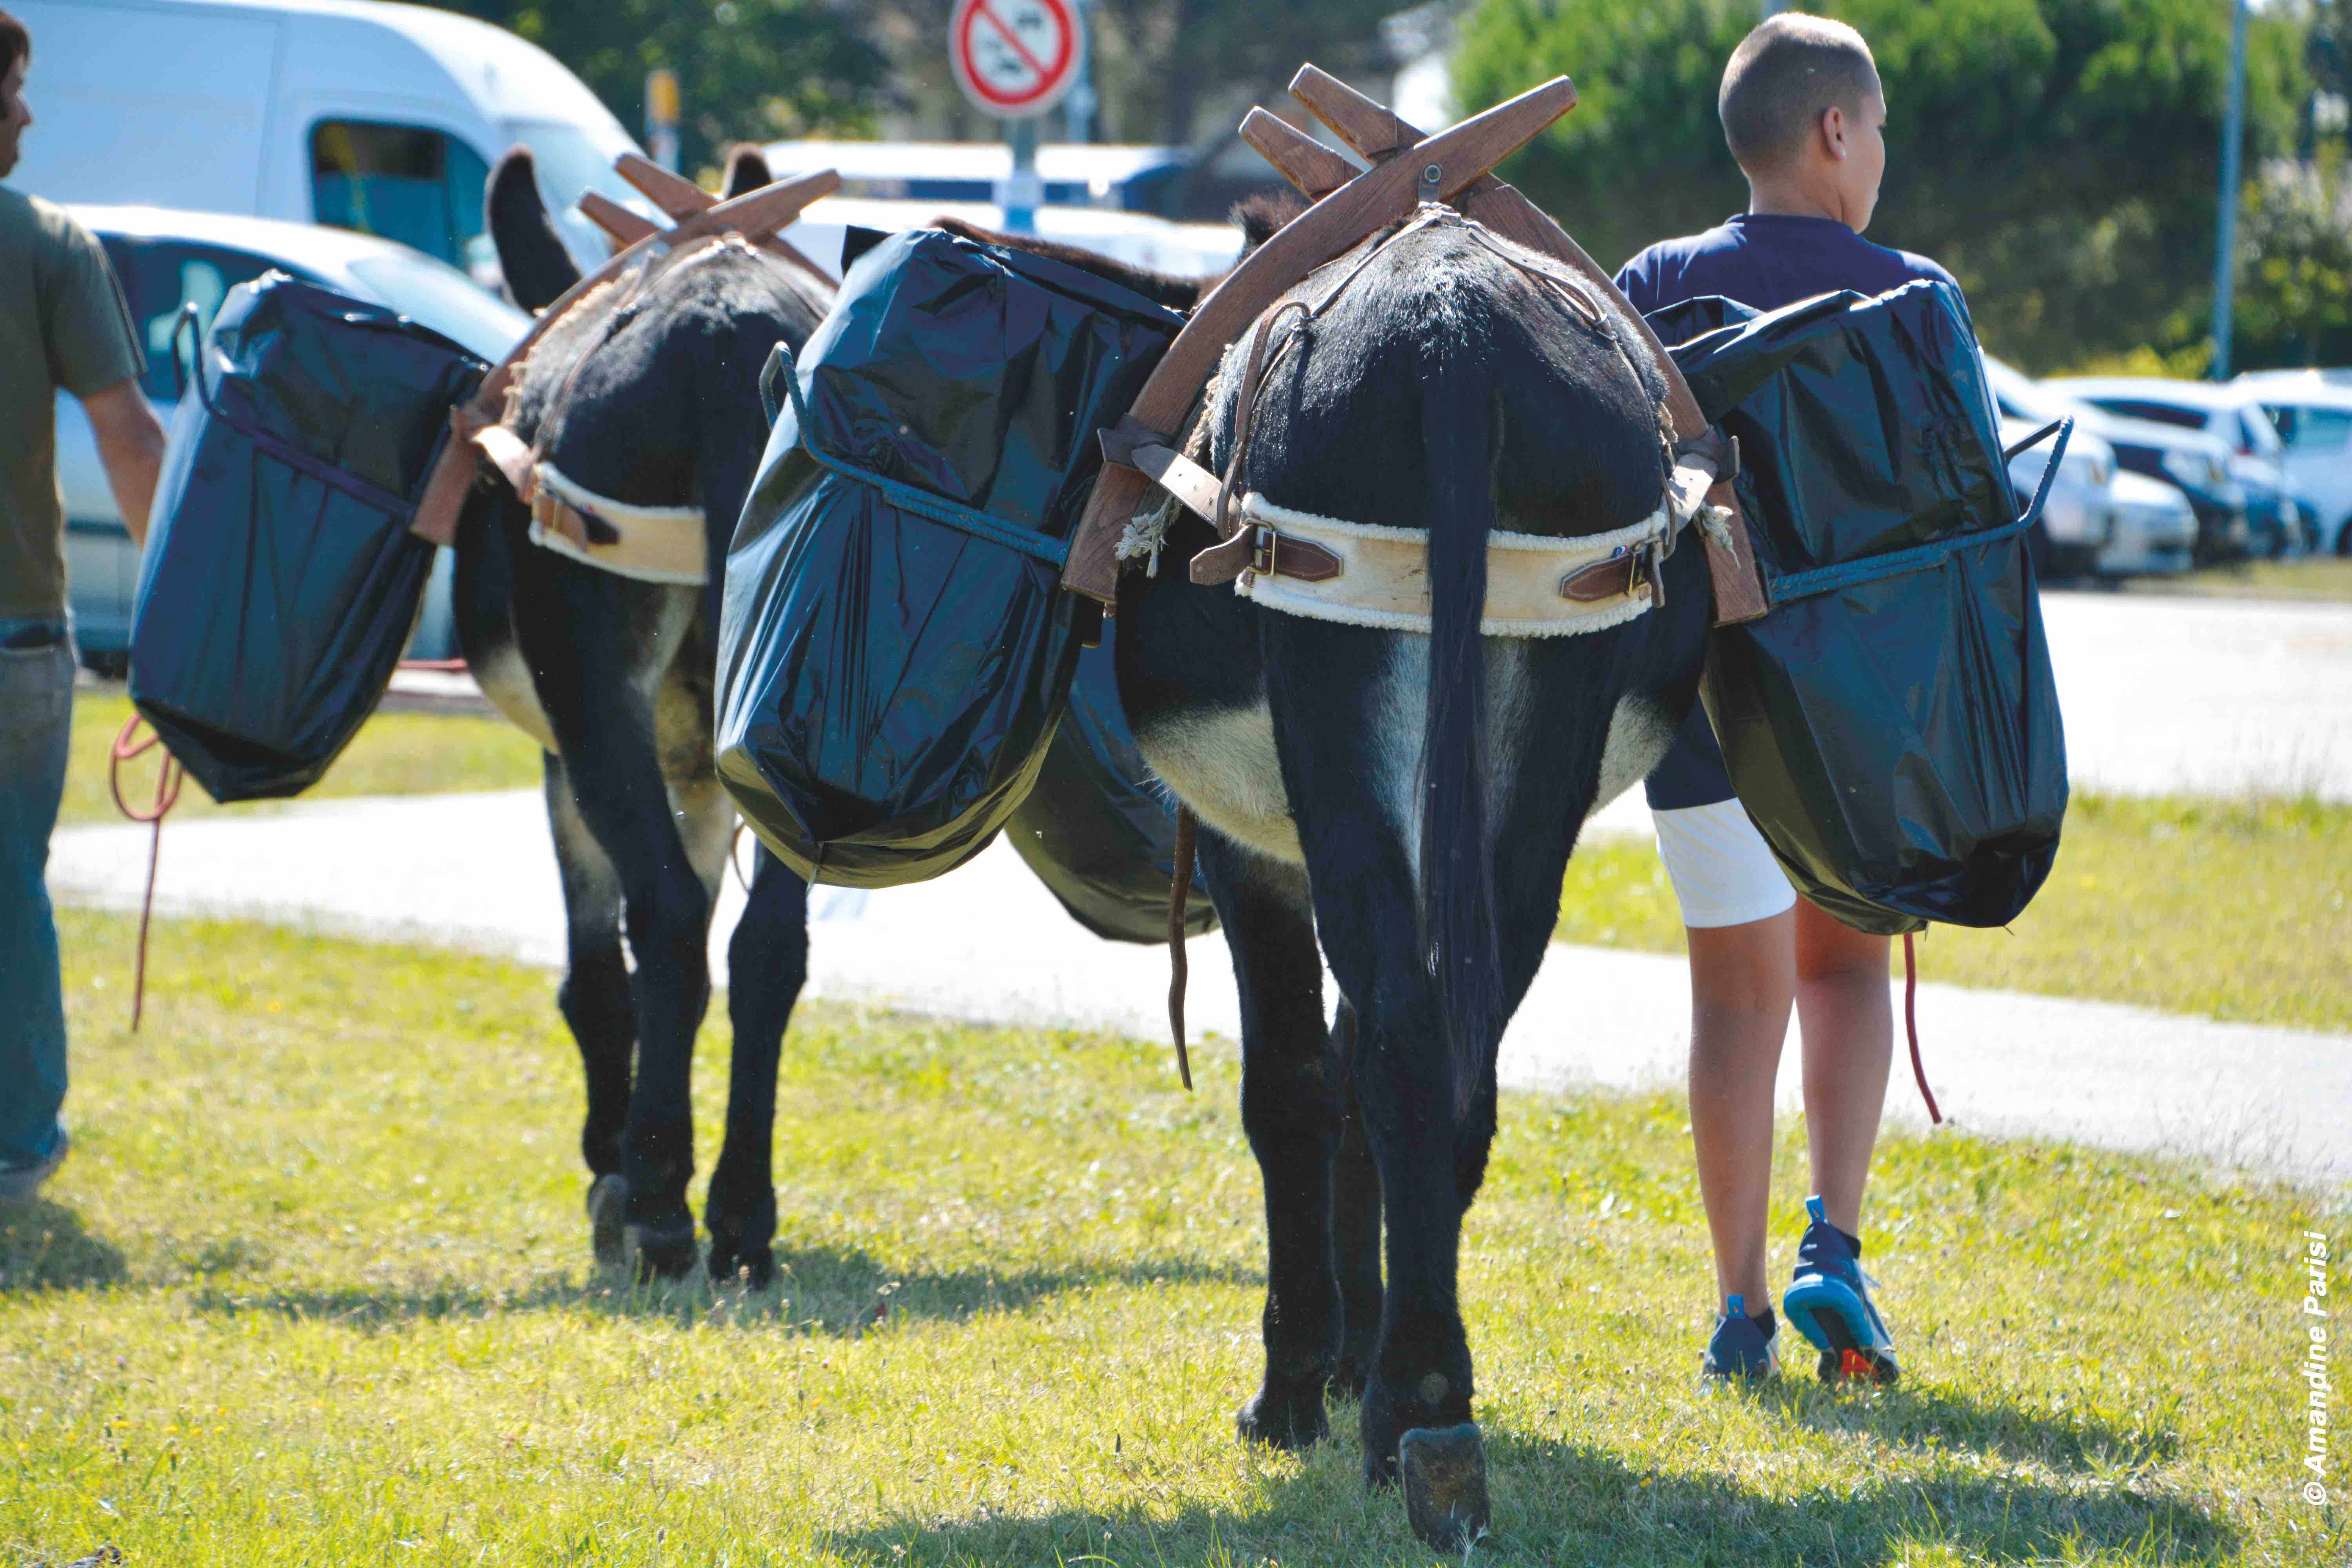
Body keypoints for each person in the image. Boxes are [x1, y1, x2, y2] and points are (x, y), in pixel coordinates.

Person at [1612, 12, 1963, 1386]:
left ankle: (1740, 1312)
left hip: (1706, 706)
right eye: (1875, 130)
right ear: (1834, 132)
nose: (1880, 155)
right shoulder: (1915, 298)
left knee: (1735, 1002)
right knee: (1843, 964)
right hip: (1858, 708)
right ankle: (1838, 1247)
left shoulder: (1656, 281)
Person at [0, 5, 167, 1204]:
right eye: (13, 91)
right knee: (9, 883)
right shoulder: (48, 246)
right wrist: (177, 605)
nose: (27, 113)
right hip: (16, 637)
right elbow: (127, 433)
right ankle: (16, 1146)